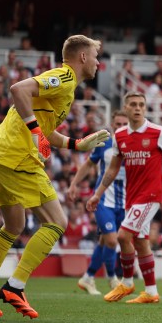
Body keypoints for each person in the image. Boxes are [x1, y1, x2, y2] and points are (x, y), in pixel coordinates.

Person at [0, 34, 110, 319]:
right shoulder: (65, 77)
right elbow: (18, 89)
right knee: (57, 222)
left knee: (13, 226)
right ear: (82, 57)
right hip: (17, 156)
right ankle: (15, 286)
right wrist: (34, 134)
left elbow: (45, 130)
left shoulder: (64, 87)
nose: (98, 63)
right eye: (95, 56)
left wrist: (76, 144)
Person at [89, 92, 162, 304]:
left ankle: (127, 283)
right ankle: (151, 291)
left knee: (122, 237)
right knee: (140, 242)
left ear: (145, 109)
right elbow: (111, 171)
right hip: (132, 197)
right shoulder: (119, 136)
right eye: (133, 105)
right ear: (126, 108)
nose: (137, 108)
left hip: (150, 196)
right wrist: (97, 194)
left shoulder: (158, 132)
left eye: (141, 105)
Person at [68, 109, 130, 295]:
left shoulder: (134, 146)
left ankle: (88, 277)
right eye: (117, 124)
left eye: (124, 124)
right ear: (112, 125)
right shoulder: (104, 143)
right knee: (112, 240)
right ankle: (112, 279)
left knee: (104, 241)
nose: (120, 127)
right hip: (103, 199)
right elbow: (89, 164)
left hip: (124, 201)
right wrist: (74, 183)